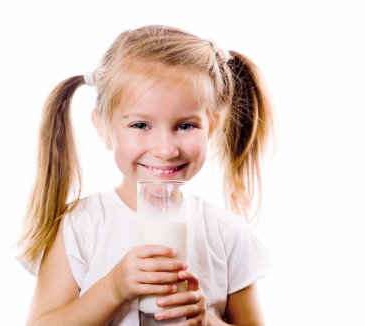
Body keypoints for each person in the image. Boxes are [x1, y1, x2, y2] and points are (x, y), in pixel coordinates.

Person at [17, 25, 275, 325]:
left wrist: (207, 321)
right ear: (103, 127)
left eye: (186, 125)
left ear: (213, 126)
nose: (165, 150)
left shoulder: (226, 232)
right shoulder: (80, 225)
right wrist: (112, 290)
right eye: (140, 125)